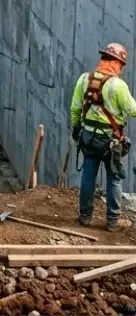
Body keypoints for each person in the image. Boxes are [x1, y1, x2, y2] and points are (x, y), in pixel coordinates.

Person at [71, 43, 136, 230]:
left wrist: (76, 128)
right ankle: (113, 221)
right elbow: (132, 111)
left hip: (89, 136)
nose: (121, 69)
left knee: (88, 175)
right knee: (114, 177)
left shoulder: (85, 79)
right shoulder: (118, 85)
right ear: (116, 62)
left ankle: (85, 216)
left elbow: (75, 107)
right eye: (121, 65)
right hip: (110, 140)